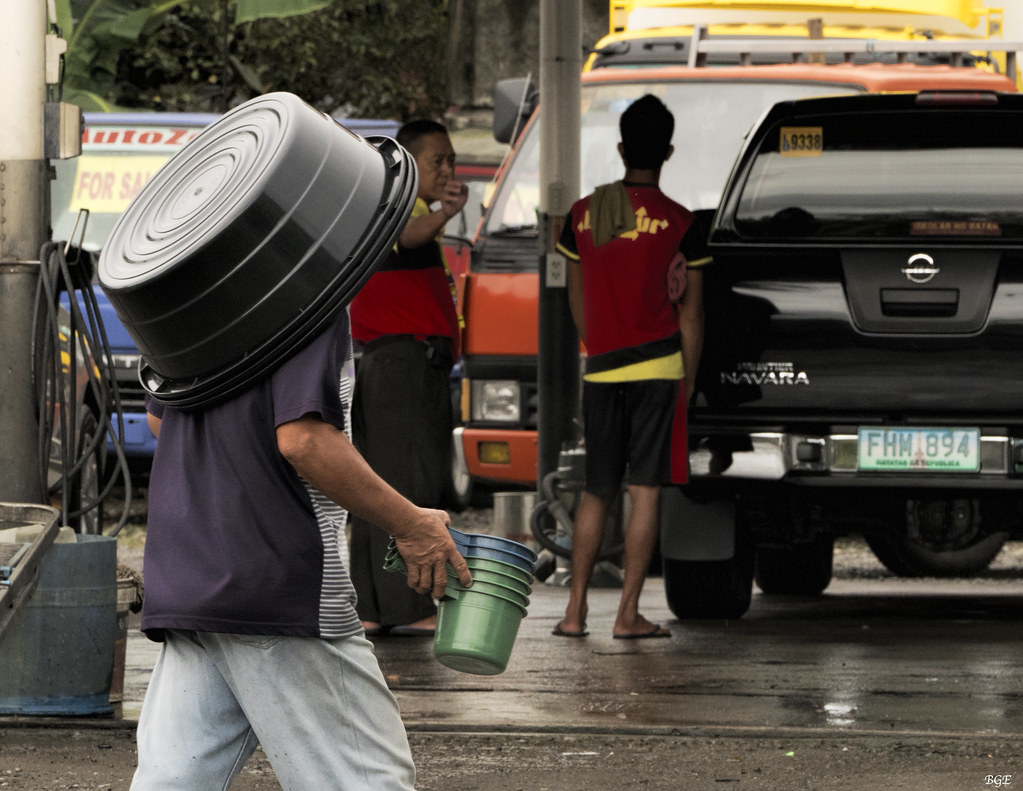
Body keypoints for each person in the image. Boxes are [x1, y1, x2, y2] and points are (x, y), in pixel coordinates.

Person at [132, 308, 472, 790]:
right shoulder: (306, 293)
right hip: (279, 584)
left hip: (188, 574)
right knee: (367, 780)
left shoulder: (189, 291)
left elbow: (159, 420)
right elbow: (304, 440)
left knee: (176, 780)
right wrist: (410, 524)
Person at [552, 94, 709, 640]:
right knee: (645, 490)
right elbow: (691, 314)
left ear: (620, 149)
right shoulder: (683, 224)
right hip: (658, 370)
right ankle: (627, 614)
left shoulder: (582, 214)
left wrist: (597, 345)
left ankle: (573, 613)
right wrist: (686, 381)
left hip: (602, 368)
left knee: (597, 490)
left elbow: (575, 298)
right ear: (667, 151)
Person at [347, 119, 468, 637]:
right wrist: (445, 212)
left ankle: (376, 605)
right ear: (406, 160)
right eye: (436, 160)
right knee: (410, 484)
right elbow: (412, 233)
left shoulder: (382, 207)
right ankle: (411, 606)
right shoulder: (400, 209)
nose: (447, 170)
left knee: (380, 483)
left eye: (451, 160)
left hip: (384, 363)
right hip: (402, 366)